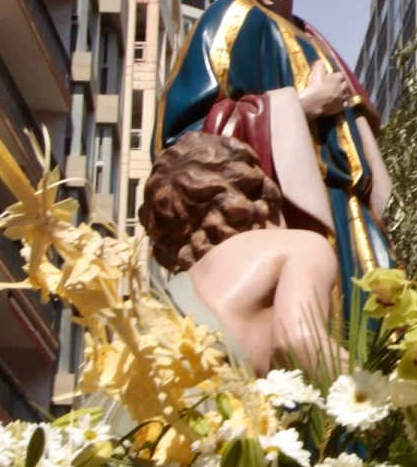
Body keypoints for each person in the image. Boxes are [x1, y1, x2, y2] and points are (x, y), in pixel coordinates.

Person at [158, 0, 393, 322]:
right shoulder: (231, 20)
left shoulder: (310, 36)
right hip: (284, 226)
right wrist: (300, 107)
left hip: (351, 226)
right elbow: (184, 146)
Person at [141, 132, 340, 376]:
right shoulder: (302, 246)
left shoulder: (187, 285)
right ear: (258, 186)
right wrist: (373, 387)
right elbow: (297, 342)